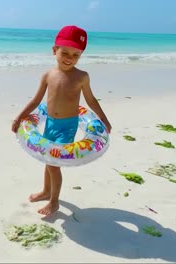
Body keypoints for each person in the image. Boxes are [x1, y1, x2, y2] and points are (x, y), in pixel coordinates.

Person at [10, 25, 112, 216]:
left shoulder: (82, 77)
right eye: (65, 52)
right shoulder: (48, 75)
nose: (69, 58)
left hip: (67, 126)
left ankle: (54, 202)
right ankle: (46, 191)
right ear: (54, 50)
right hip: (50, 122)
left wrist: (104, 120)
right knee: (47, 159)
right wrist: (19, 117)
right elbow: (36, 99)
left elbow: (90, 100)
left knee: (53, 164)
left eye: (76, 55)